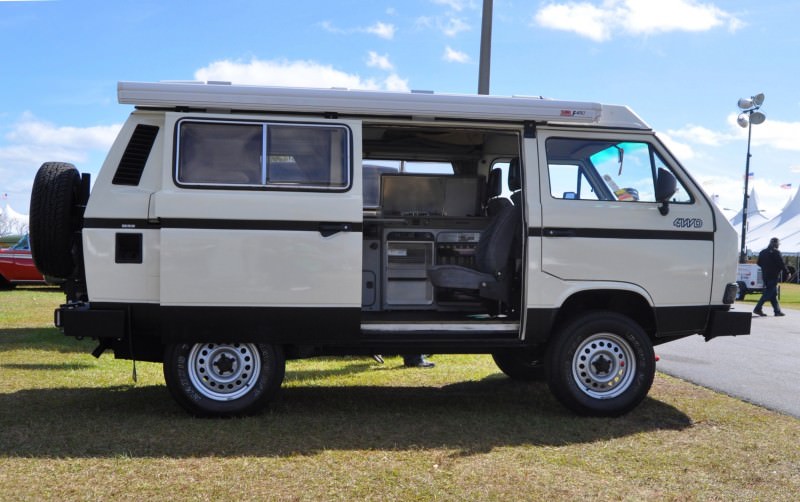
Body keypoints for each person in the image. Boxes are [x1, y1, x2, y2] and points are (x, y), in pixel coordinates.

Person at [753, 237, 791, 317]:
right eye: (778, 244)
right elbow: (781, 264)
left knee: (773, 294)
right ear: (776, 244)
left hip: (765, 276)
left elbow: (758, 263)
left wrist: (766, 267)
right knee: (768, 293)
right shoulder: (776, 252)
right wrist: (787, 272)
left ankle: (777, 311)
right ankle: (758, 308)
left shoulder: (762, 252)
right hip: (773, 276)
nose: (778, 246)